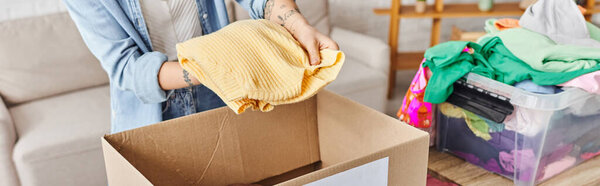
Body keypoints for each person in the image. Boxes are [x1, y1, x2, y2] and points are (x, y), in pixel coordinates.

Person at [63, 0, 339, 133]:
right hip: (152, 116)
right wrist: (215, 66)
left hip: (221, 95)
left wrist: (296, 24)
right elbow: (126, 67)